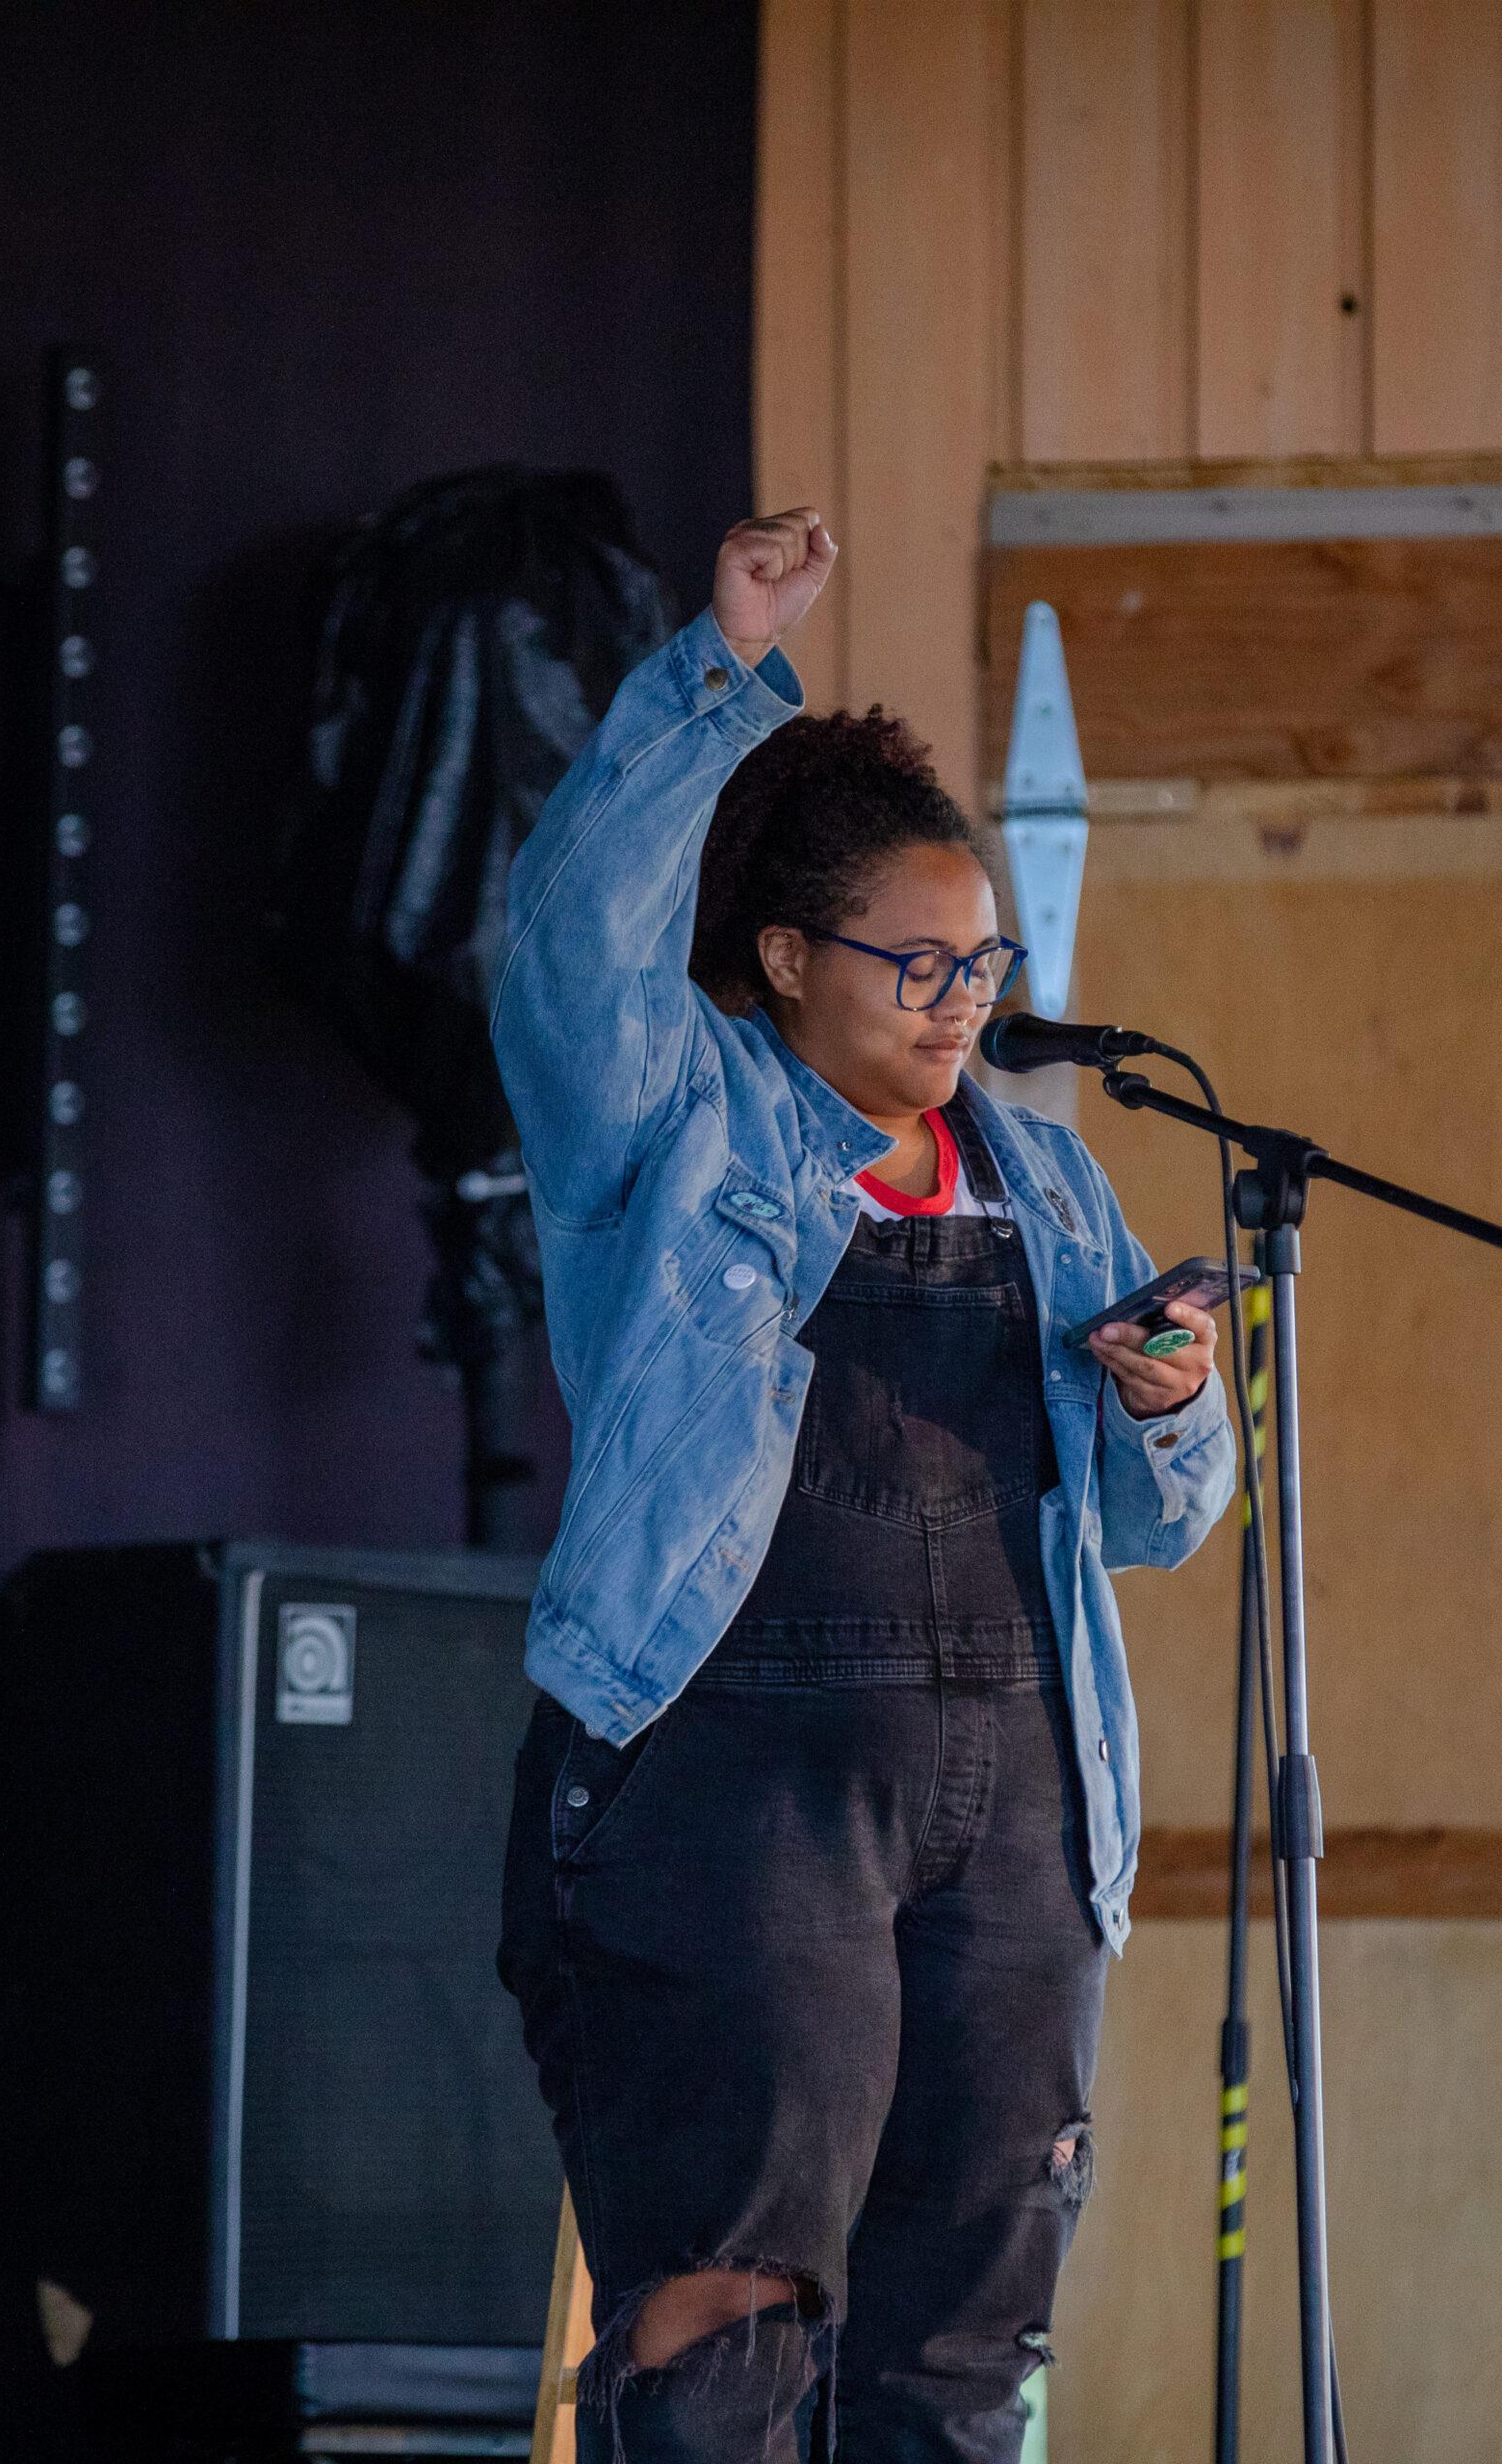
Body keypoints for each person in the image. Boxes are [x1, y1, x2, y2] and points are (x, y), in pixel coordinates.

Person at [492, 508, 1236, 2461]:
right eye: (914, 958)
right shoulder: (675, 1119)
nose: (959, 993)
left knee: (964, 2332)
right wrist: (712, 672)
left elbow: (1161, 1516)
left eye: (980, 957)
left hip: (1008, 1794)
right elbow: (566, 948)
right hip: (730, 1781)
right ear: (781, 955)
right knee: (728, 2319)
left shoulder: (1051, 1180)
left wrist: (1176, 1397)